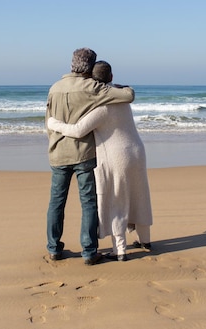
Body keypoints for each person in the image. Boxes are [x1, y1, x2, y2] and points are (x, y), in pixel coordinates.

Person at [48, 61, 152, 262]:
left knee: (117, 201)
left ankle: (119, 250)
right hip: (137, 152)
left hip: (116, 157)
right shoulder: (122, 97)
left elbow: (78, 130)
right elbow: (126, 92)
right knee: (139, 196)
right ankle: (145, 240)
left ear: (91, 81)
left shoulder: (101, 108)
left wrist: (55, 124)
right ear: (111, 77)